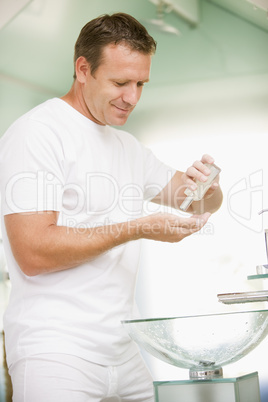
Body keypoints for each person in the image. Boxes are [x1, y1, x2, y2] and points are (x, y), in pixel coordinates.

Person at [0, 12, 223, 402]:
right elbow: (32, 251)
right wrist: (136, 227)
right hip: (56, 354)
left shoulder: (127, 148)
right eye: (120, 82)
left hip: (124, 352)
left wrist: (210, 185)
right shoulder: (37, 134)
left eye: (140, 83)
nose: (132, 97)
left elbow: (195, 200)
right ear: (83, 69)